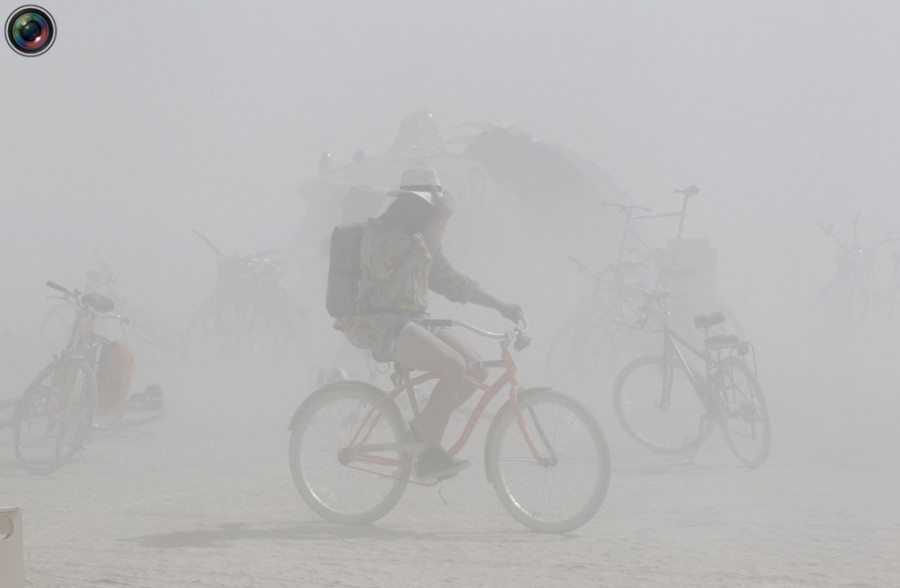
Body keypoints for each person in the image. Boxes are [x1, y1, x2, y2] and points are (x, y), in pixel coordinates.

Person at [334, 167, 523, 480]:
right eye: (431, 209)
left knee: (475, 368)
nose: (436, 215)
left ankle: (420, 428)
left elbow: (451, 280)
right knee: (452, 367)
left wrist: (500, 305)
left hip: (412, 320)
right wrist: (441, 219)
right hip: (380, 323)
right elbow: (418, 259)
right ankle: (429, 455)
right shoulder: (381, 235)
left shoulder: (420, 239)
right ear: (416, 206)